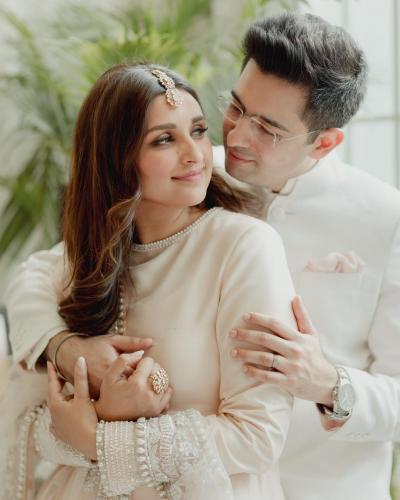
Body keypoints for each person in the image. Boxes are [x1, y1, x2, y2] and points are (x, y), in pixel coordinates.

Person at [5, 11, 400, 500]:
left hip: (319, 486)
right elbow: (40, 275)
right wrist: (67, 349)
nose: (235, 137)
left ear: (324, 143)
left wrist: (329, 383)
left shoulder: (384, 218)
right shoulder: (192, 177)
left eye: (268, 128)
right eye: (236, 108)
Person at [1, 62, 297, 499]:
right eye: (164, 140)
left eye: (198, 131)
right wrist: (68, 351)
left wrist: (101, 438)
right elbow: (27, 283)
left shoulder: (244, 246)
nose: (195, 154)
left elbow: (257, 436)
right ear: (115, 158)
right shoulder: (90, 256)